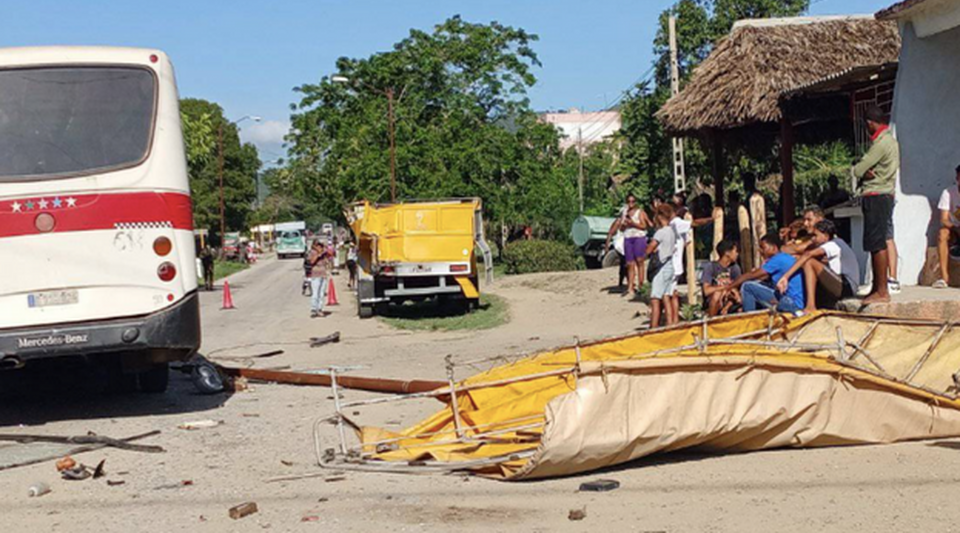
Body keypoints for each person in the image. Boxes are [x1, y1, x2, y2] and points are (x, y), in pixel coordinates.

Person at [851, 104, 900, 304]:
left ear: (871, 123)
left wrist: (865, 169)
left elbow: (859, 169)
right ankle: (876, 287)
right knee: (875, 242)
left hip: (877, 194)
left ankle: (881, 291)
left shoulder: (881, 143)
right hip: (882, 194)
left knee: (877, 243)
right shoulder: (890, 141)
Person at [776, 220, 859, 313]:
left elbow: (807, 255)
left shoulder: (833, 245)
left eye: (816, 235)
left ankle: (810, 306)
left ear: (825, 236)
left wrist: (786, 277)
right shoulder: (832, 245)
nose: (813, 239)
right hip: (842, 284)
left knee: (809, 262)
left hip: (846, 286)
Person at [730, 233, 805, 313]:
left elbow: (751, 275)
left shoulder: (777, 260)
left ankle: (749, 317)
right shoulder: (784, 257)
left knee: (747, 287)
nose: (761, 251)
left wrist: (728, 287)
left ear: (774, 248)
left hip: (791, 302)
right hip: (796, 301)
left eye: (763, 248)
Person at [605, 194, 652, 296]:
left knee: (639, 261)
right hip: (627, 237)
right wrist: (623, 225)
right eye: (629, 201)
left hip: (639, 237)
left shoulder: (640, 212)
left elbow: (644, 226)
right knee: (629, 263)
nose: (631, 203)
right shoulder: (624, 213)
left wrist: (633, 223)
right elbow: (621, 228)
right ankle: (630, 286)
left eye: (633, 201)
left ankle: (640, 285)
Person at [645, 204, 678, 328]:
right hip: (670, 265)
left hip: (661, 267)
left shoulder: (660, 232)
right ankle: (670, 324)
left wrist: (645, 252)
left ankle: (653, 327)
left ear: (660, 216)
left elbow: (651, 247)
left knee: (655, 299)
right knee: (666, 296)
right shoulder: (671, 231)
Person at [702, 239, 742, 317]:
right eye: (735, 251)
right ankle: (711, 321)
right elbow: (706, 290)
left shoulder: (735, 268)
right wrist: (725, 287)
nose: (737, 254)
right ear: (727, 253)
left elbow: (737, 291)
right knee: (717, 294)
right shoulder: (711, 267)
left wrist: (727, 305)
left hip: (729, 300)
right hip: (713, 301)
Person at [935, 165, 960, 288]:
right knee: (942, 234)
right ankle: (944, 277)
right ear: (957, 178)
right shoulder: (948, 192)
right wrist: (955, 227)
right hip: (954, 229)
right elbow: (943, 219)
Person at [307, 240, 331, 318]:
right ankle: (314, 309)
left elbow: (331, 253)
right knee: (315, 293)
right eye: (318, 245)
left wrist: (325, 248)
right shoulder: (312, 253)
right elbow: (312, 262)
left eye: (320, 246)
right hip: (316, 275)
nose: (319, 247)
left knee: (321, 294)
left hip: (323, 275)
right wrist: (318, 255)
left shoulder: (324, 254)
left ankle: (319, 309)